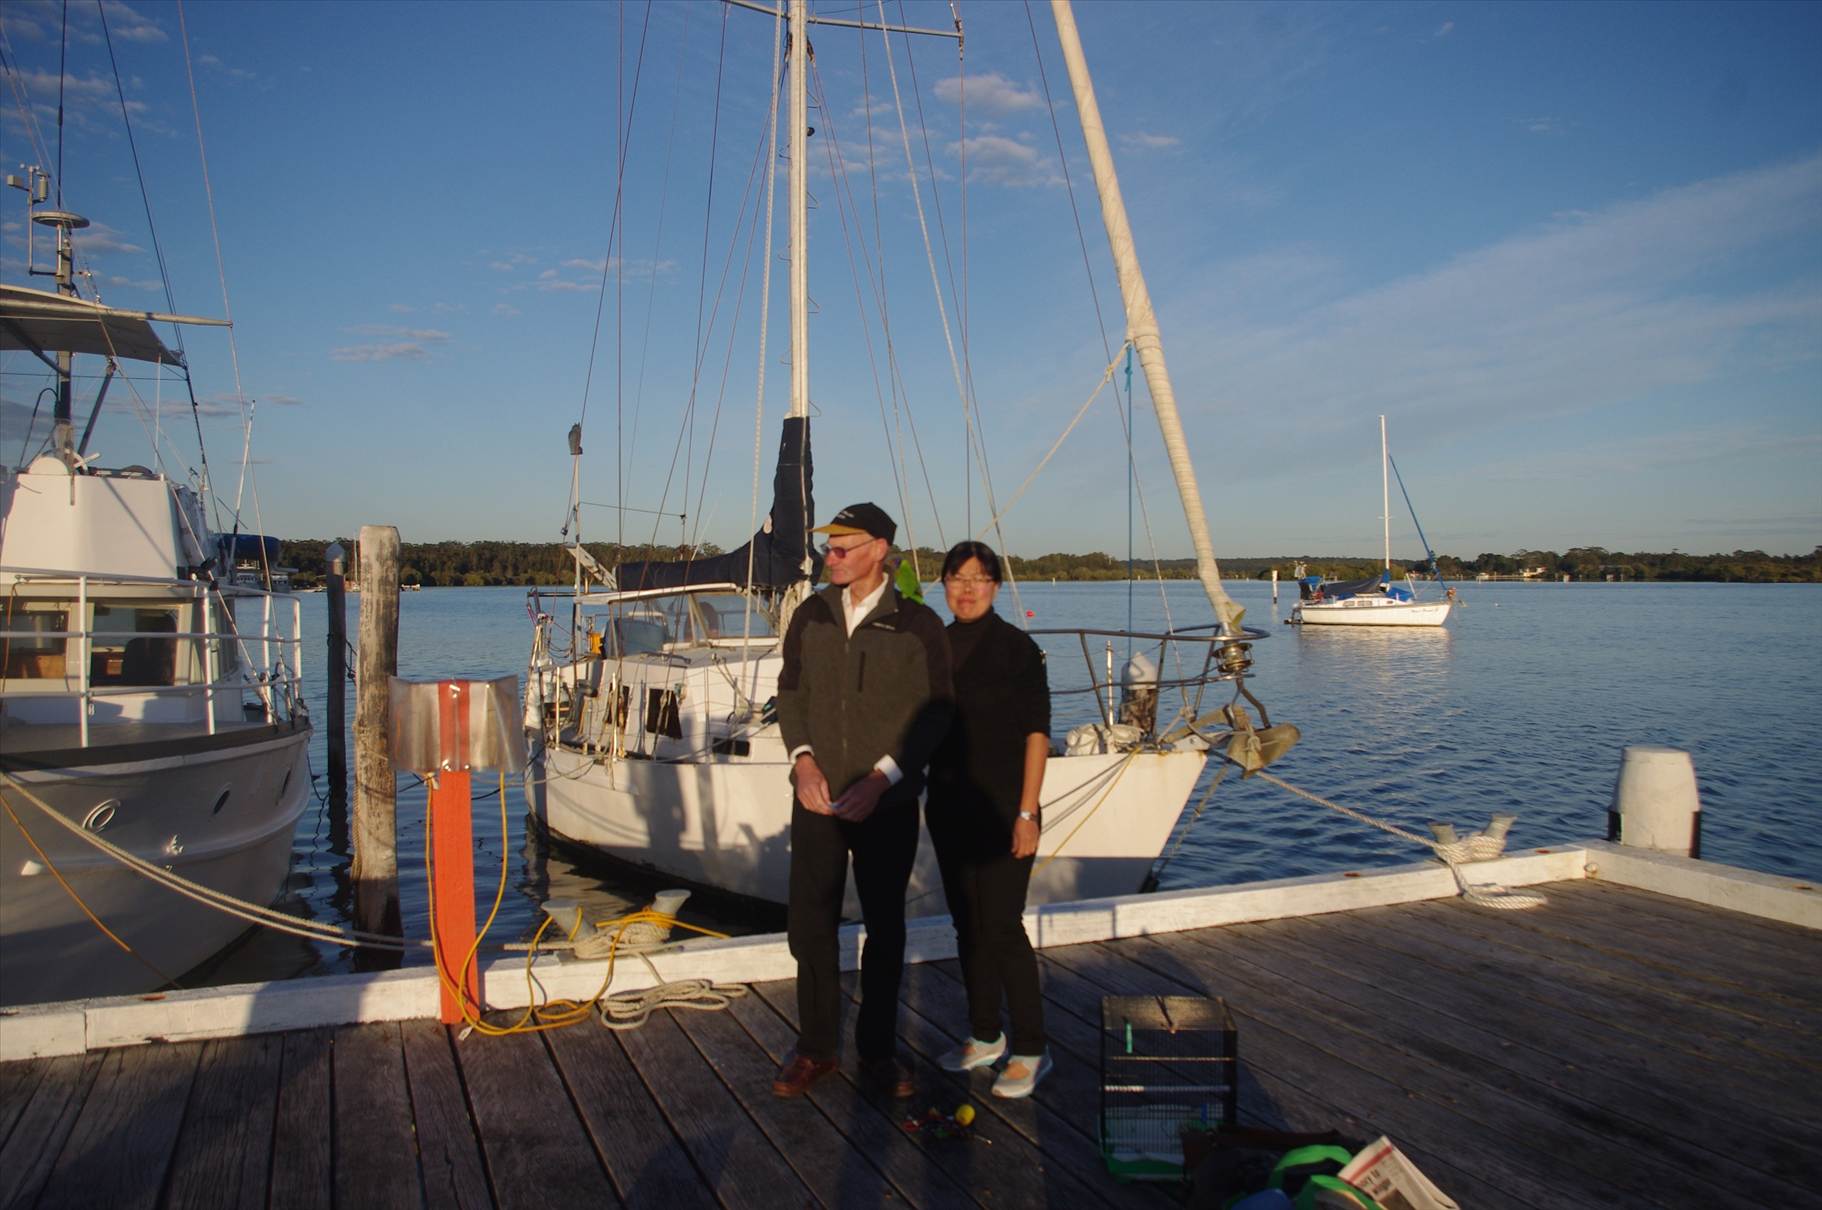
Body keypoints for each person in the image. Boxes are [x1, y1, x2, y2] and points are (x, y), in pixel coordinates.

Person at [771, 502, 954, 1100]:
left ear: (879, 550)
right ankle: (816, 1050)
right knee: (810, 926)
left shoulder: (918, 625)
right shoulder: (811, 614)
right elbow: (790, 693)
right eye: (829, 546)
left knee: (885, 927)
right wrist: (802, 761)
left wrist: (881, 779)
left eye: (842, 546)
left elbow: (936, 715)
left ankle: (877, 1052)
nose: (831, 556)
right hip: (818, 798)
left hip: (885, 802)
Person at [927, 540, 1053, 1098]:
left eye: (979, 579)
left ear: (995, 587)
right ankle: (984, 1034)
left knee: (1002, 925)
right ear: (944, 584)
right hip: (949, 808)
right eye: (957, 578)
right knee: (967, 926)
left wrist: (1027, 812)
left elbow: (1037, 734)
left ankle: (1032, 1048)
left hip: (1006, 810)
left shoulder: (1016, 648)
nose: (968, 589)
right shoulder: (935, 647)